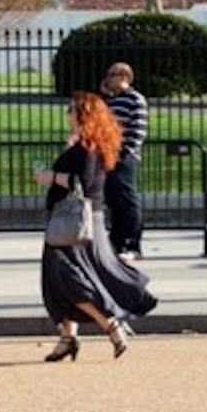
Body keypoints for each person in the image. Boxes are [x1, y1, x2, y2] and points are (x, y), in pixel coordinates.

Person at [33, 90, 157, 362]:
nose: (67, 114)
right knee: (62, 279)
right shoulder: (88, 144)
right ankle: (67, 337)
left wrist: (49, 176)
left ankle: (110, 325)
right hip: (80, 221)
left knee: (68, 280)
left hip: (75, 223)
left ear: (82, 115)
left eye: (72, 109)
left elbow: (82, 183)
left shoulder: (87, 148)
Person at [101, 61, 148, 260]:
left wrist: (125, 152)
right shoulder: (112, 101)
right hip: (108, 155)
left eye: (112, 75)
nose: (108, 79)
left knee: (127, 199)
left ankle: (132, 243)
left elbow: (137, 129)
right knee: (113, 200)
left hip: (124, 156)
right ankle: (116, 241)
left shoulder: (135, 100)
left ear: (124, 77)